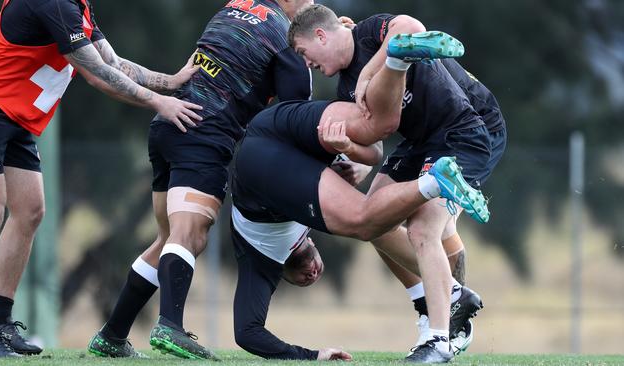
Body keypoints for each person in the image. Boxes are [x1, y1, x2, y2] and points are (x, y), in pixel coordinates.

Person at [87, 0, 316, 360]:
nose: (314, 4)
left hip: (168, 124)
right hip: (204, 131)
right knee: (190, 234)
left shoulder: (233, 8)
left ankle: (112, 335)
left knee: (167, 238)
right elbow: (297, 111)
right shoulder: (283, 35)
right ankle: (171, 327)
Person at [0, 0, 202, 358]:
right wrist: (159, 102)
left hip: (16, 118)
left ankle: (0, 323)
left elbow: (112, 62)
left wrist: (170, 81)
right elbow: (96, 73)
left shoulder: (76, 6)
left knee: (30, 210)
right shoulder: (52, 3)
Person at [288, 4, 506, 362]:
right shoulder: (344, 87)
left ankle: (438, 340)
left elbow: (410, 24)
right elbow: (374, 148)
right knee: (370, 218)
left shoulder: (371, 31)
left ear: (322, 35)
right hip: (420, 142)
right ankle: (450, 294)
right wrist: (347, 148)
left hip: (465, 130)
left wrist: (368, 73)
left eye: (303, 53)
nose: (306, 63)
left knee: (423, 230)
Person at [231, 204, 352, 361]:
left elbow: (247, 333)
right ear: (312, 241)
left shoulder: (260, 263)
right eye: (319, 269)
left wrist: (313, 356)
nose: (313, 274)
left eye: (304, 281)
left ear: (281, 274)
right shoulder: (312, 216)